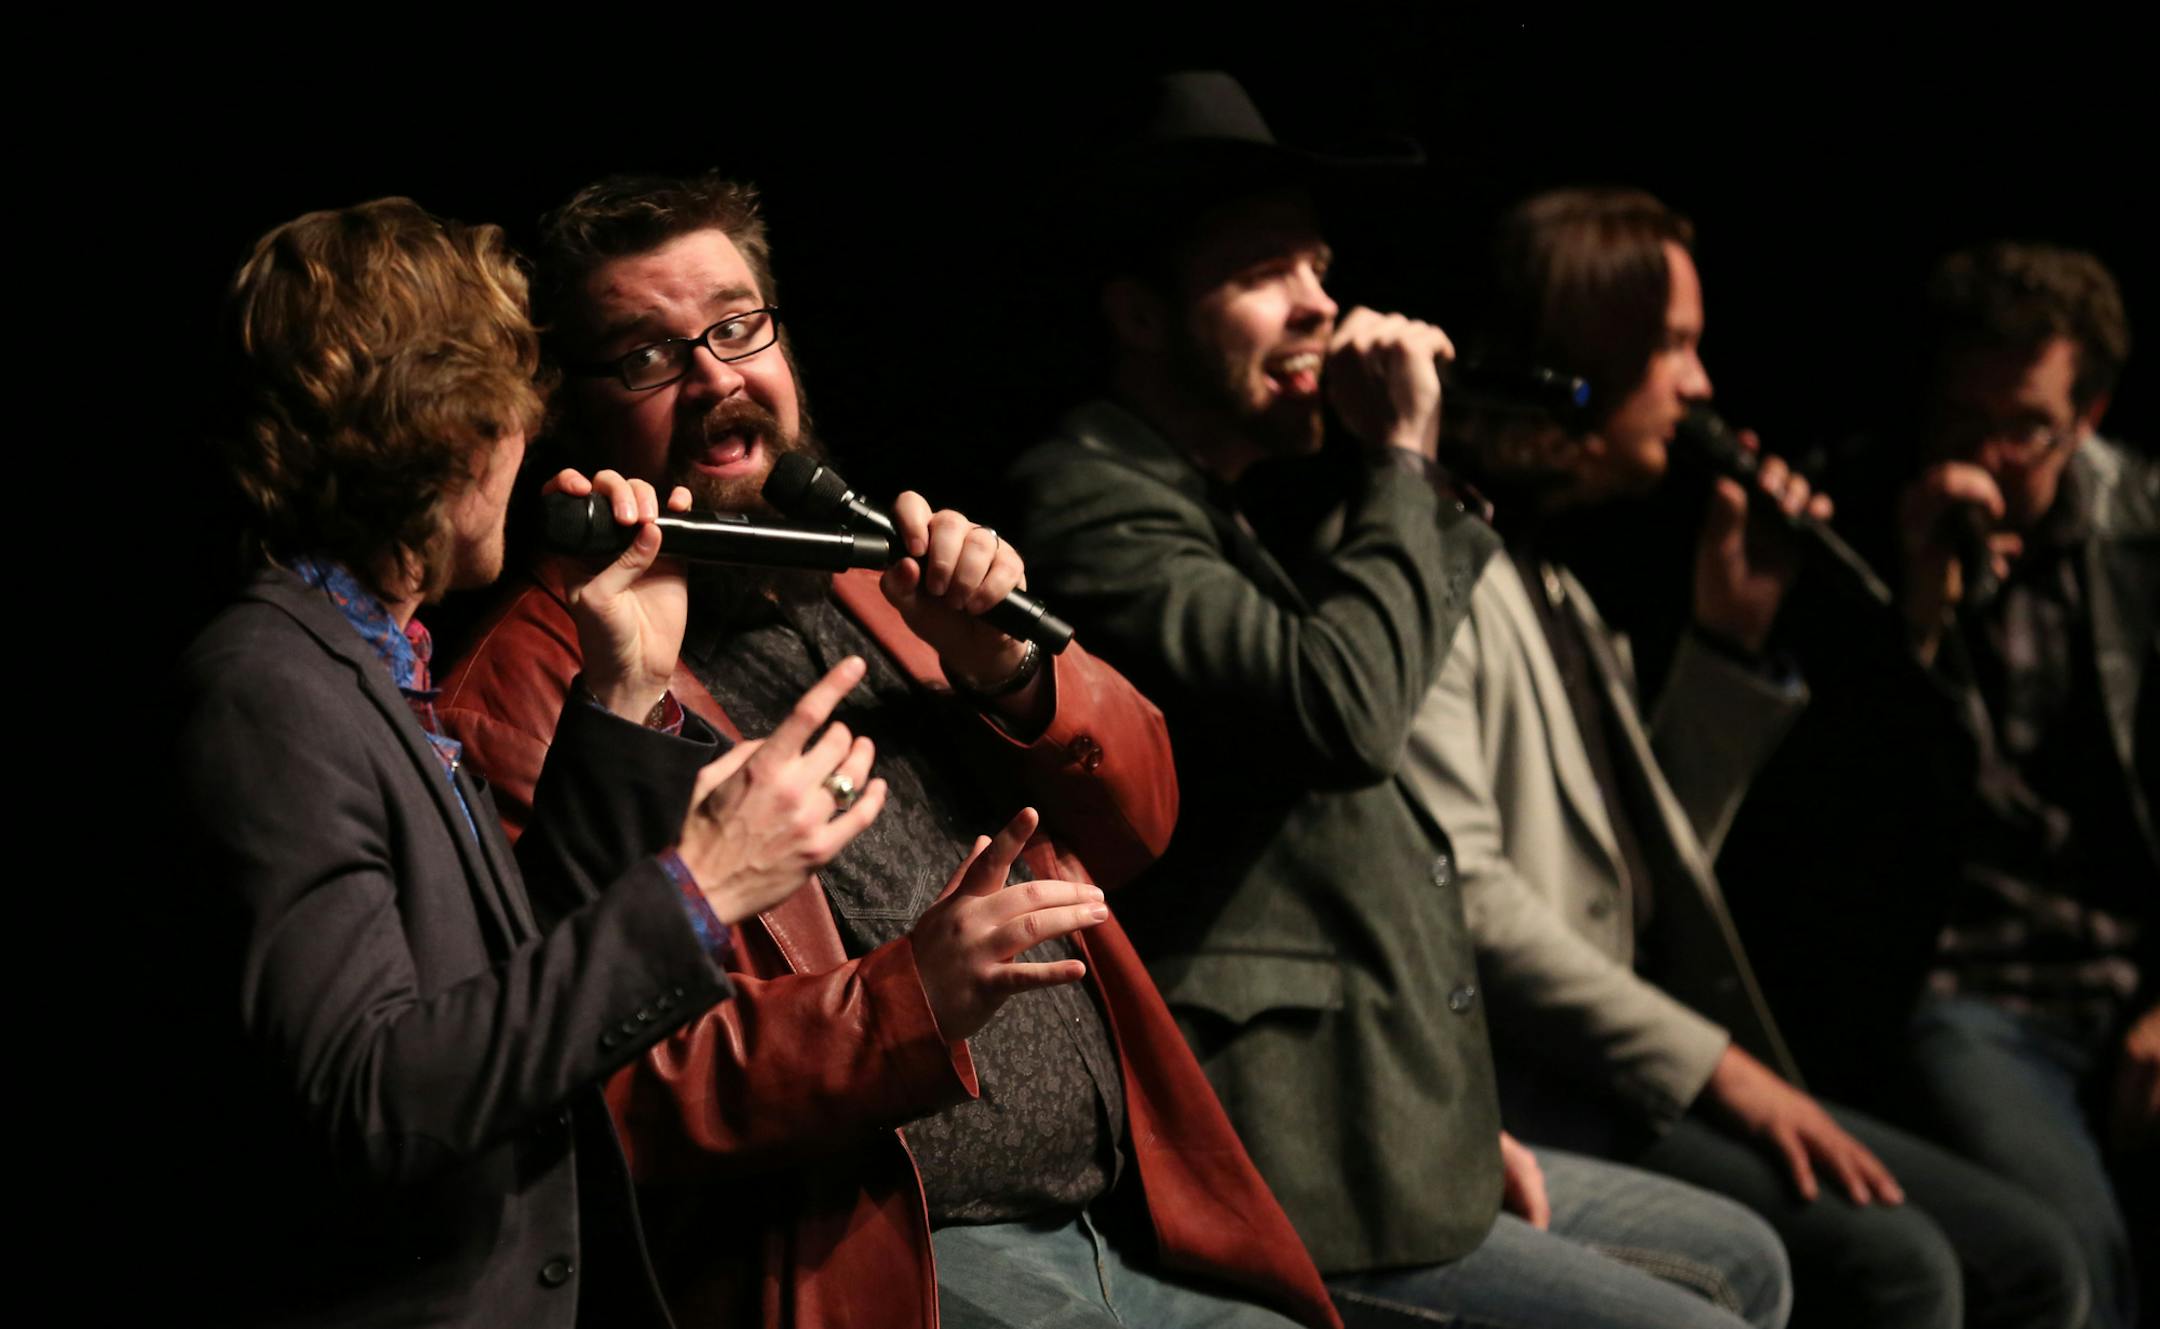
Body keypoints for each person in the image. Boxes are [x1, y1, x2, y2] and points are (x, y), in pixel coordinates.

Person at [437, 171, 1339, 1329]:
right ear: (572, 409)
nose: (717, 376)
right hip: (895, 1276)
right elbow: (607, 1094)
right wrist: (907, 1000)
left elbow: (1141, 822)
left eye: (735, 325)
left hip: (1126, 1217)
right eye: (651, 357)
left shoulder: (865, 572)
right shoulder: (523, 694)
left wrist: (1009, 670)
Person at [1008, 73, 1794, 1329]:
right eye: (1266, 272)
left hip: (1371, 1105)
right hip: (1272, 1141)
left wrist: (1445, 1121)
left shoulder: (1214, 506)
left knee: (1747, 1255)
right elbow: (1344, 714)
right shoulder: (1089, 499)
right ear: (1140, 317)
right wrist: (1403, 462)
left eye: (1320, 266)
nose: (1323, 303)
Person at [169, 197, 882, 1325]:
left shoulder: (372, 663)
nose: (528, 440)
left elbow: (510, 992)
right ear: (446, 424)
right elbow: (378, 1095)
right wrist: (701, 892)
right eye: (512, 408)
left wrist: (619, 693)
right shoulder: (270, 687)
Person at [1401, 187, 2089, 1329]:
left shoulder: (1557, 582)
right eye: (1671, 346)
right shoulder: (1442, 569)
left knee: (2031, 1252)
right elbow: (1469, 894)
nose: (1701, 382)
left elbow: (1650, 865)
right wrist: (1725, 1071)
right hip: (1550, 1086)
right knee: (1907, 1267)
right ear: (1587, 355)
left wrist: (1730, 638)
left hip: (1627, 1069)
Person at [1722, 240, 2154, 1329]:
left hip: (2124, 969)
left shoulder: (2144, 526)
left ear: (2089, 414)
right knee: (2071, 1241)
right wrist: (1914, 619)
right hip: (1965, 986)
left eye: (2027, 427)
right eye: (1965, 420)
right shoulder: (1857, 516)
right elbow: (1817, 839)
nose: (1992, 455)